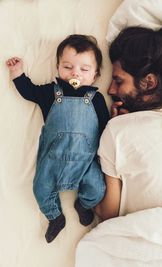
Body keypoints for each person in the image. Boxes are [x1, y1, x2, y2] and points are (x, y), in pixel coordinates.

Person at [6, 34, 109, 243]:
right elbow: (29, 92)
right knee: (40, 188)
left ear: (96, 75)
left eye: (84, 69)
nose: (75, 73)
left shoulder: (96, 99)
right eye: (68, 66)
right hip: (52, 159)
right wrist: (17, 74)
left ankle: (83, 203)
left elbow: (106, 127)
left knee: (97, 188)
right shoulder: (51, 93)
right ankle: (55, 216)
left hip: (86, 161)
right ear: (58, 68)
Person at [95, 22, 162, 221]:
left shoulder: (116, 130)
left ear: (148, 82)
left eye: (118, 81)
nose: (110, 90)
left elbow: (108, 212)